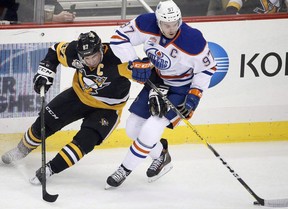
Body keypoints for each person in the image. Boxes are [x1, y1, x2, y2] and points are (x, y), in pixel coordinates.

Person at [1, 31, 151, 185]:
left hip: (108, 108)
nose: (91, 61)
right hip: (78, 96)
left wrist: (147, 71)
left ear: (100, 49)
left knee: (85, 141)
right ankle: (21, 150)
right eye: (86, 58)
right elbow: (55, 50)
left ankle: (50, 169)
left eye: (94, 56)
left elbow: (146, 74)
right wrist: (45, 73)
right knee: (44, 122)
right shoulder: (74, 52)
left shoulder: (118, 57)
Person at [105, 0, 217, 188]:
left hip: (180, 89)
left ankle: (124, 169)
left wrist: (195, 94)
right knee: (133, 128)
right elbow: (118, 38)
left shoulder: (193, 40)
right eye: (166, 24)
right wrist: (133, 62)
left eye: (175, 24)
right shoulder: (146, 23)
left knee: (151, 128)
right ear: (158, 22)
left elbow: (208, 68)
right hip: (156, 81)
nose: (171, 28)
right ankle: (161, 156)